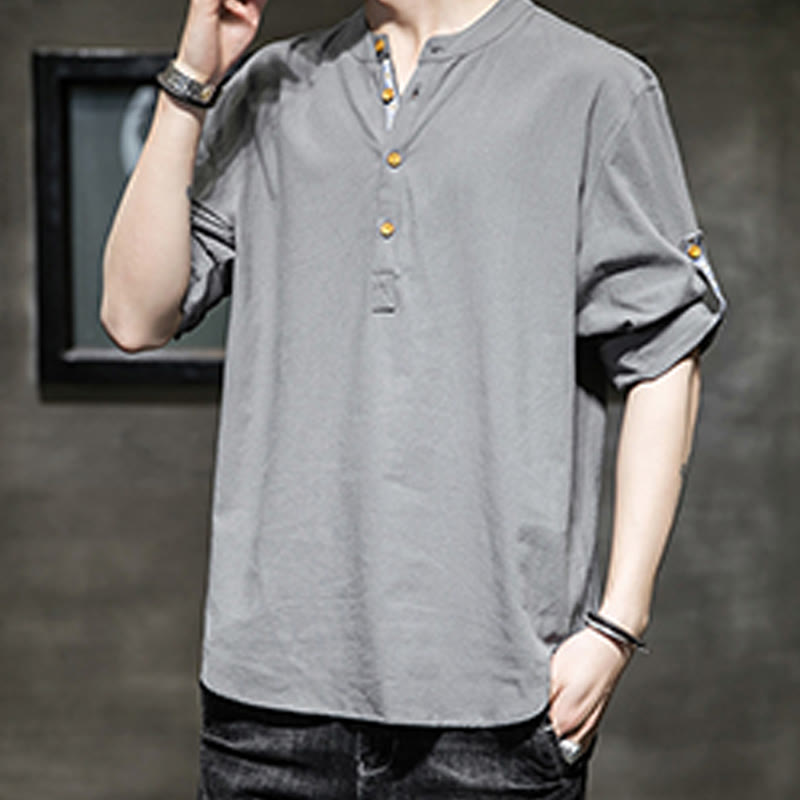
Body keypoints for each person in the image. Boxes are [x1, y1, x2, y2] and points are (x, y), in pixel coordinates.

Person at [101, 0, 727, 796]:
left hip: (497, 706)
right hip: (268, 702)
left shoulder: (595, 88)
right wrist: (193, 79)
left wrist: (617, 623)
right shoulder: (272, 84)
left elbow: (666, 354)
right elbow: (134, 314)